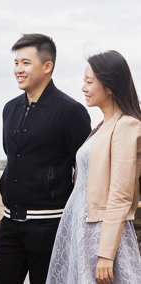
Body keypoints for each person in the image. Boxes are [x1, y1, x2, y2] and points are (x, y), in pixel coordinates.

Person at [0, 33, 91, 284]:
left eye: (26, 63)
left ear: (47, 66)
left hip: (50, 225)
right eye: (16, 63)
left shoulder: (70, 111)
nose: (18, 69)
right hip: (9, 222)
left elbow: (82, 168)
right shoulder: (9, 108)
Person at [46, 50, 141, 284]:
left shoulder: (127, 126)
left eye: (89, 82)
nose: (83, 88)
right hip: (82, 228)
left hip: (99, 233)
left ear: (109, 86)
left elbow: (121, 195)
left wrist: (106, 254)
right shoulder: (102, 126)